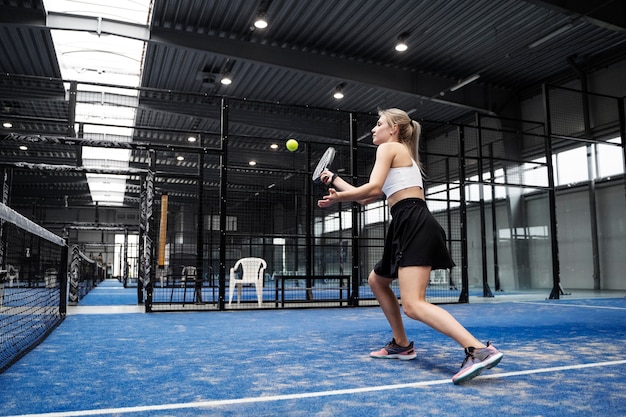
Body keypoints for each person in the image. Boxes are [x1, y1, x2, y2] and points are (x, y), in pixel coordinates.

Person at [317, 108, 502, 384]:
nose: (373, 129)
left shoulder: (389, 148)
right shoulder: (399, 152)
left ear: (394, 129)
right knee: (377, 281)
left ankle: (478, 350)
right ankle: (402, 345)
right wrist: (334, 181)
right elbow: (370, 196)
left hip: (412, 222)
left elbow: (370, 188)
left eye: (378, 124)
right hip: (406, 221)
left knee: (414, 304)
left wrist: (337, 199)